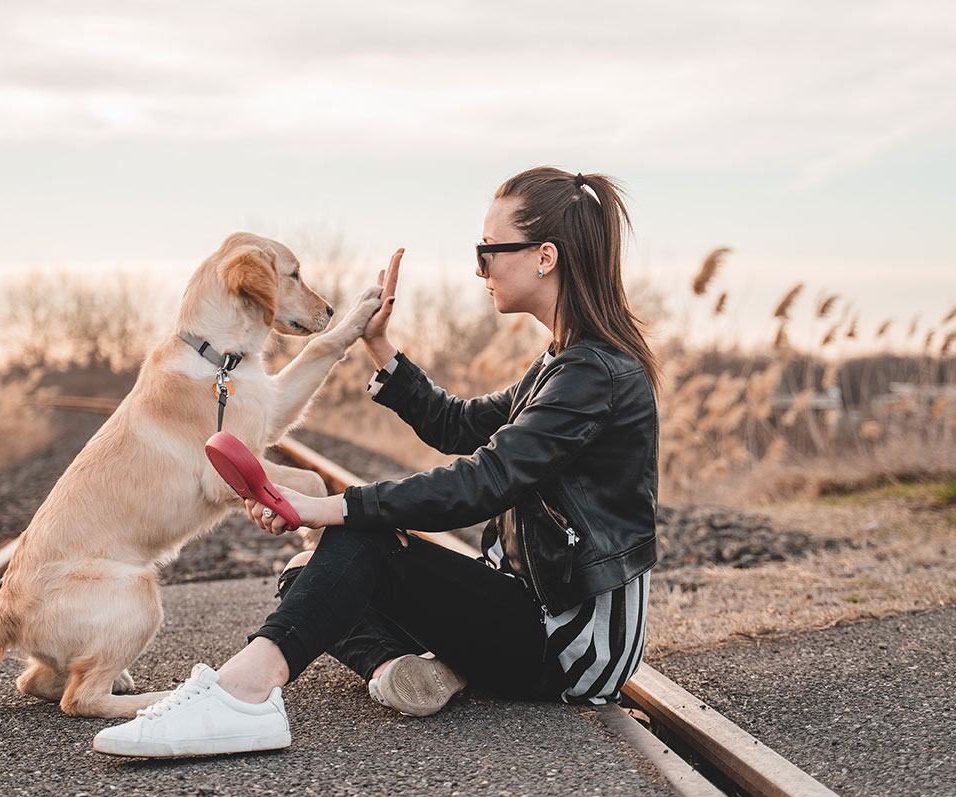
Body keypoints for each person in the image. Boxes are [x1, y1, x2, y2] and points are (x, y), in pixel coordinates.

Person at [93, 166, 661, 759]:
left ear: (544, 257)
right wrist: (379, 344)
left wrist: (333, 506)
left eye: (488, 251)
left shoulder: (593, 374)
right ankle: (404, 670)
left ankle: (242, 695)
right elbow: (458, 425)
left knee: (357, 544)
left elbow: (484, 481)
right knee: (307, 576)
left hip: (570, 641)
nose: (478, 268)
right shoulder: (563, 363)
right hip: (527, 606)